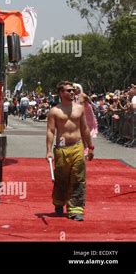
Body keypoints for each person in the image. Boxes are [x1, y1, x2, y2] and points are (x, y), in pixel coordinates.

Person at [46, 81, 94, 221]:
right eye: (68, 90)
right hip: (62, 149)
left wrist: (90, 146)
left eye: (73, 90)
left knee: (78, 178)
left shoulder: (79, 108)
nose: (72, 92)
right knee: (61, 179)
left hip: (78, 146)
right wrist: (48, 150)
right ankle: (59, 202)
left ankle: (76, 209)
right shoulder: (54, 111)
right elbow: (50, 131)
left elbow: (84, 128)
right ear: (61, 93)